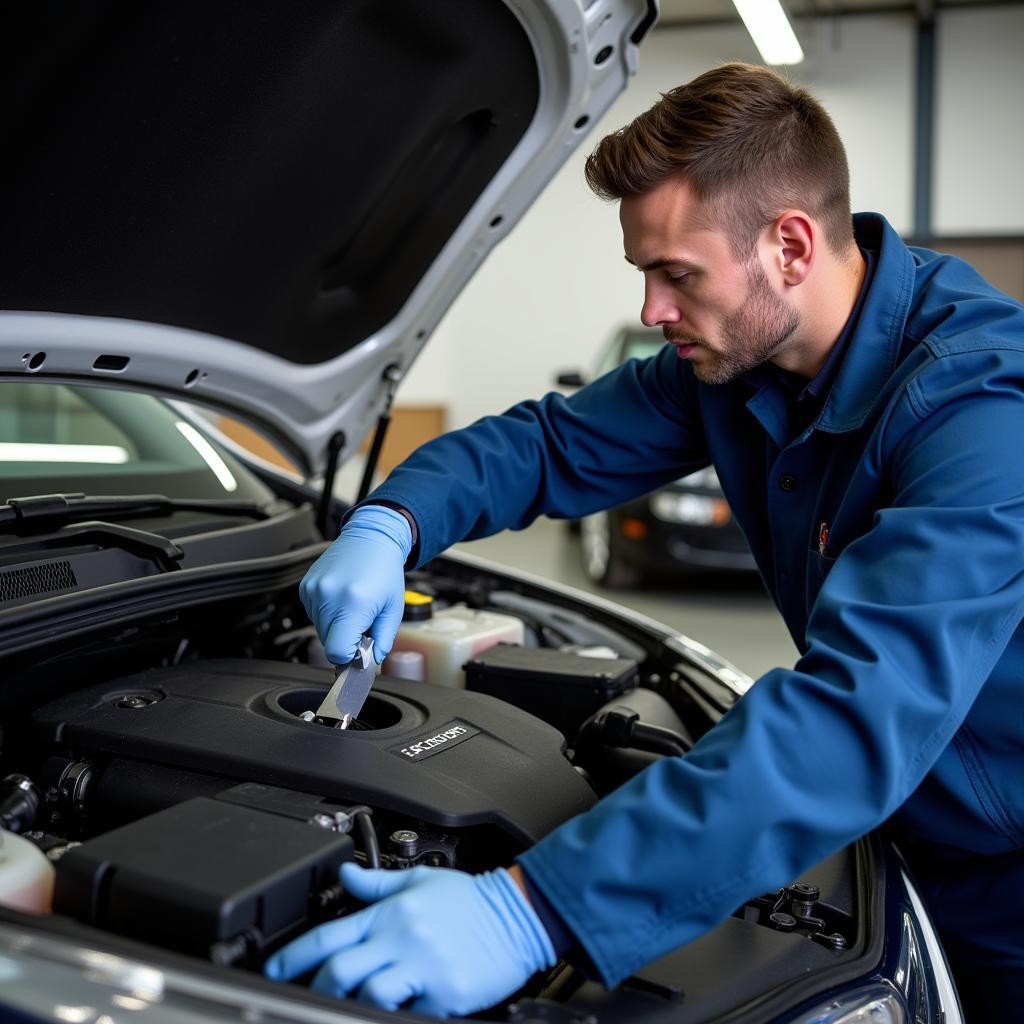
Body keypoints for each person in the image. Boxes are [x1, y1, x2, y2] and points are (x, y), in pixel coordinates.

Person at [264, 63, 1024, 1019]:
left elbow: (854, 710)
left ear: (790, 245)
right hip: (898, 830)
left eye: (678, 274)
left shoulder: (982, 407)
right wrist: (393, 519)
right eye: (646, 275)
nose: (655, 311)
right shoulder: (733, 366)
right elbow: (548, 443)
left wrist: (531, 912)